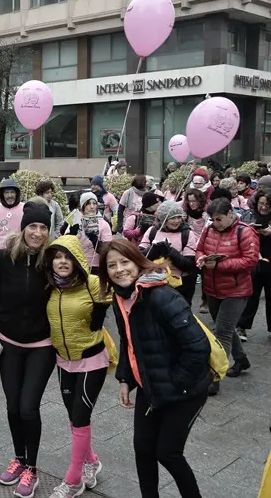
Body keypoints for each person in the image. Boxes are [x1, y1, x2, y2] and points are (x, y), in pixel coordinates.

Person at [101, 239, 210, 498]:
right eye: (112, 265)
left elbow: (198, 348)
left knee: (168, 452)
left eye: (124, 262)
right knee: (143, 449)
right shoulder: (120, 297)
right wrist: (126, 378)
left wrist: (174, 382)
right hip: (151, 385)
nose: (119, 270)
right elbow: (129, 341)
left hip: (186, 389)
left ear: (138, 262)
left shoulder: (162, 296)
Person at [0, 202, 54, 498]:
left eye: (43, 227)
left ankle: (32, 469)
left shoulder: (52, 261)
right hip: (9, 343)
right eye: (33, 226)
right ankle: (19, 459)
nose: (37, 233)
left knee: (28, 407)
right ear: (23, 228)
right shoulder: (0, 259)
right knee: (13, 407)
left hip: (42, 346)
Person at [44, 235, 111, 498]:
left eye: (67, 257)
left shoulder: (93, 283)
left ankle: (73, 481)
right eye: (57, 257)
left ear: (77, 260)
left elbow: (123, 292)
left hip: (91, 359)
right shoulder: (50, 286)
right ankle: (92, 461)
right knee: (75, 419)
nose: (62, 262)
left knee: (81, 417)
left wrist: (102, 308)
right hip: (63, 360)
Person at [195, 197, 258, 395]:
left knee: (221, 332)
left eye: (219, 219)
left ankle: (214, 376)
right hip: (212, 289)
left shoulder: (245, 231)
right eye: (213, 220)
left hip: (236, 291)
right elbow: (199, 249)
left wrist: (219, 265)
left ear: (231, 214)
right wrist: (201, 260)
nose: (216, 223)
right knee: (227, 328)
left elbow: (250, 261)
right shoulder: (209, 230)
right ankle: (241, 360)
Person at [139, 200, 198, 305]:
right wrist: (153, 251)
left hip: (180, 284)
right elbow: (139, 258)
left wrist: (170, 252)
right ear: (163, 218)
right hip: (153, 281)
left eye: (179, 217)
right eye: (172, 218)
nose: (176, 221)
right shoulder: (152, 231)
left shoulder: (188, 234)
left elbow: (189, 264)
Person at [237, 189, 271, 341]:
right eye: (261, 204)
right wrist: (249, 230)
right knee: (251, 295)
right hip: (254, 260)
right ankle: (242, 326)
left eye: (268, 205)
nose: (263, 207)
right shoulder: (249, 214)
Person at [69, 192, 112, 275]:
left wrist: (94, 240)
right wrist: (71, 233)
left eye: (94, 203)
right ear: (82, 205)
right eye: (88, 204)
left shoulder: (104, 224)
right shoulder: (75, 220)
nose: (92, 207)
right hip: (77, 265)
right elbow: (65, 244)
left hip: (96, 267)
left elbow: (108, 250)